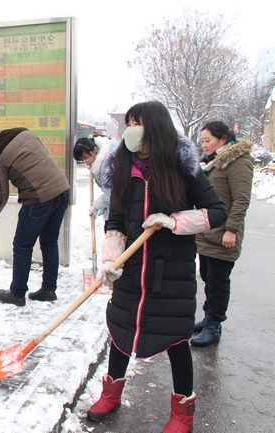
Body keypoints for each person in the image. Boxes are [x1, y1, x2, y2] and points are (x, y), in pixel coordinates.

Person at [88, 101, 227, 432]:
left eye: (139, 123)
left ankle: (183, 412)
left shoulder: (182, 168)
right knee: (120, 332)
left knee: (176, 340)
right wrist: (111, 259)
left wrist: (174, 220)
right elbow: (117, 220)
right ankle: (111, 392)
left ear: (157, 128)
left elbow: (216, 211)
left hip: (170, 271)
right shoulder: (124, 165)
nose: (132, 131)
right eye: (130, 124)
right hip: (132, 269)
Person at [0, 123, 71, 306]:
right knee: (49, 243)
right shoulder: (22, 132)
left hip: (39, 198)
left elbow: (0, 195)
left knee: (22, 245)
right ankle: (49, 289)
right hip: (61, 191)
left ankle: (17, 293)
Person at [191, 121, 253, 347]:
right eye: (203, 141)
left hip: (223, 234)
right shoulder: (210, 163)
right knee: (208, 277)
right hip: (207, 232)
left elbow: (241, 200)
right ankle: (208, 316)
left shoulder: (238, 162)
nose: (204, 145)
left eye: (208, 140)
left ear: (224, 139)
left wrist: (231, 230)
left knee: (218, 281)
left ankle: (214, 324)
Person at [73, 134, 115, 232]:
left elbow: (112, 193)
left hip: (120, 211)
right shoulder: (97, 163)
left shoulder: (108, 164)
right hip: (113, 209)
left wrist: (97, 205)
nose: (86, 162)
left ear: (95, 150)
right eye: (82, 160)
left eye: (86, 158)